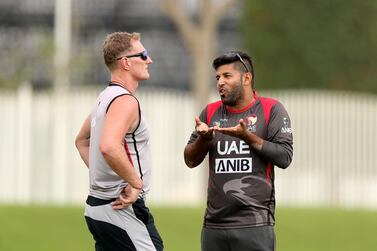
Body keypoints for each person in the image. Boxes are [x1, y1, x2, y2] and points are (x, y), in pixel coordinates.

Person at [184, 51, 293, 251]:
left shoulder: (271, 109)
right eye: (217, 77)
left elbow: (285, 157)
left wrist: (247, 136)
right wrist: (204, 140)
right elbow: (190, 160)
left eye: (227, 76)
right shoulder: (210, 112)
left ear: (246, 78)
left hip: (255, 225)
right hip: (214, 226)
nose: (220, 83)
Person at [75, 31, 163, 251]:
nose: (149, 60)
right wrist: (135, 183)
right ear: (125, 63)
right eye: (143, 55)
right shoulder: (125, 101)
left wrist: (108, 179)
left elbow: (82, 141)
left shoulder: (104, 97)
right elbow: (108, 146)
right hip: (120, 210)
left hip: (98, 207)